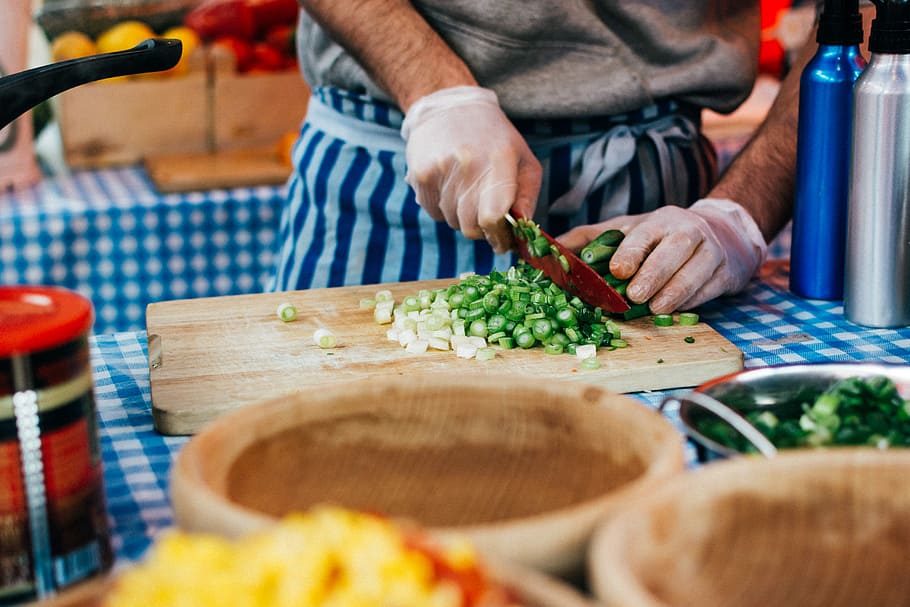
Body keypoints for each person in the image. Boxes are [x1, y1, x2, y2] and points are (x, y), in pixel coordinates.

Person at [270, 1, 810, 314]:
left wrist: (738, 214)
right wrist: (433, 90)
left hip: (653, 209)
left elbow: (859, 13)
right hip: (391, 170)